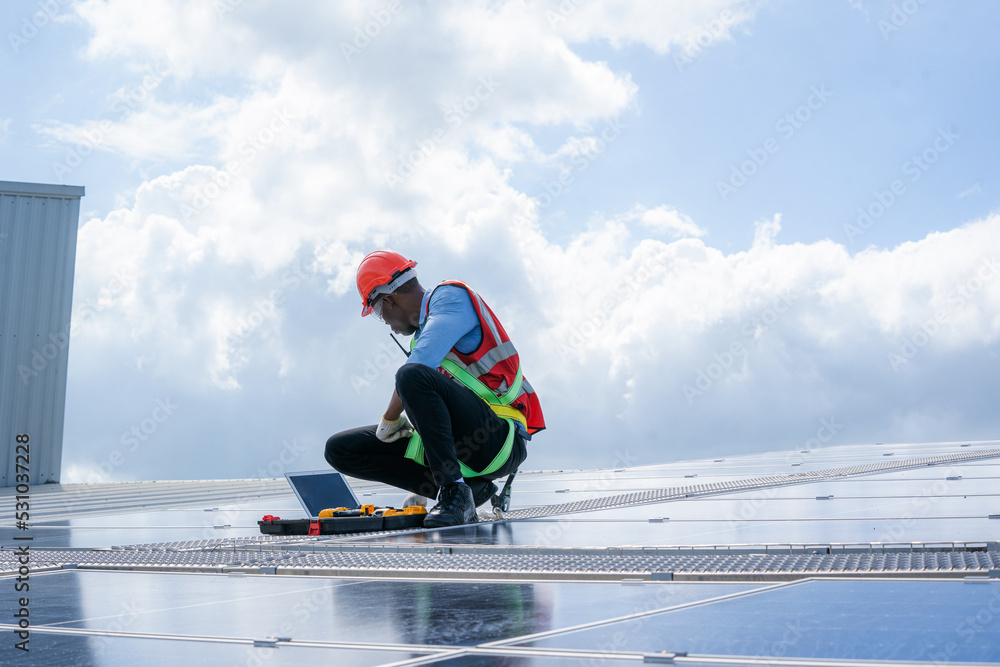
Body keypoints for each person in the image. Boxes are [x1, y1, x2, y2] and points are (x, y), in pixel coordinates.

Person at [325, 250, 545, 527]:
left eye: (379, 313)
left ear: (389, 301)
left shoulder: (451, 298)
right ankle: (467, 490)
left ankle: (455, 491)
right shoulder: (423, 335)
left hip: (499, 439)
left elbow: (420, 367)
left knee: (411, 376)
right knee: (341, 449)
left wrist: (389, 420)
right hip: (466, 447)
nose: (387, 324)